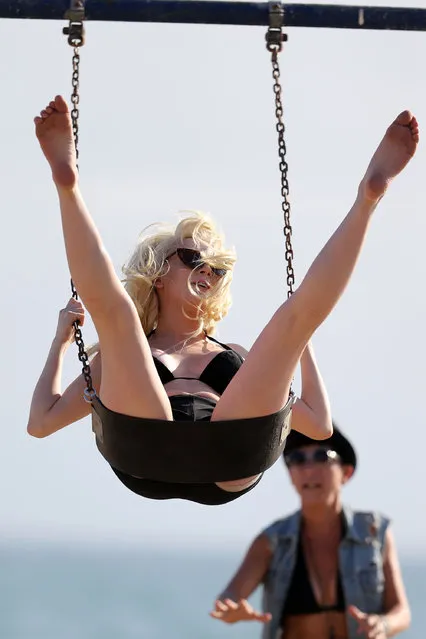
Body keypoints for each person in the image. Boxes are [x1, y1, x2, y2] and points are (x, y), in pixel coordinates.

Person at [27, 95, 419, 505]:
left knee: (293, 317)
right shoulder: (123, 358)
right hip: (145, 449)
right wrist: (60, 344)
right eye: (192, 258)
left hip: (232, 455)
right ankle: (67, 187)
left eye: (216, 267)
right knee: (118, 319)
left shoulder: (235, 356)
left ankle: (368, 198)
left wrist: (298, 340)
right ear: (157, 274)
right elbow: (41, 422)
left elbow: (318, 426)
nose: (206, 270)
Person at [210, 427, 411, 638]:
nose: (308, 468)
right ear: (290, 474)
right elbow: (229, 597)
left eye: (321, 456)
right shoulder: (271, 541)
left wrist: (383, 625)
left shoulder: (375, 533)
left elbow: (401, 612)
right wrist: (230, 611)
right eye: (297, 459)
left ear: (346, 472)